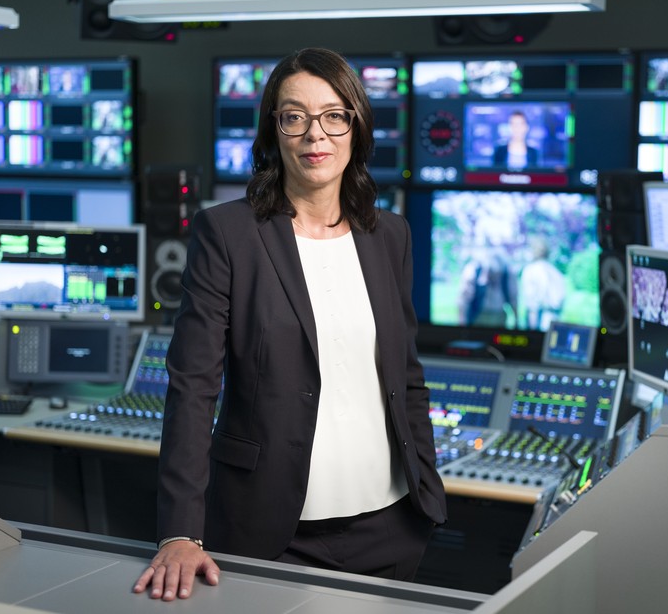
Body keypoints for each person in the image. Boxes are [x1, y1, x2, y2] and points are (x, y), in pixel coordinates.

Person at [132, 47, 447, 602]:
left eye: (333, 115)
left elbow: (407, 375)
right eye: (294, 116)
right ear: (273, 131)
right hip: (272, 533)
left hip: (394, 527)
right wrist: (180, 531)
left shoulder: (389, 235)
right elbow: (192, 387)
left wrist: (426, 485)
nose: (314, 135)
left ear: (356, 126)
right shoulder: (227, 234)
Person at [519, 237, 567, 331]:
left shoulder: (530, 270)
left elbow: (532, 306)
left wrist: (532, 335)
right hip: (556, 324)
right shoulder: (556, 272)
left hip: (540, 323)